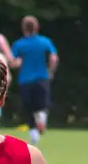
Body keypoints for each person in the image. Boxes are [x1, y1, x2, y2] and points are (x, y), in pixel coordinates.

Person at [11, 16, 59, 144]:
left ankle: (33, 133)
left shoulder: (19, 44)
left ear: (23, 28)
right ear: (37, 27)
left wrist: (17, 62)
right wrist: (50, 71)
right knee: (42, 105)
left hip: (25, 80)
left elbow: (14, 63)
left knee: (28, 108)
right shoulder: (45, 42)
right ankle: (42, 119)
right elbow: (54, 58)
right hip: (42, 78)